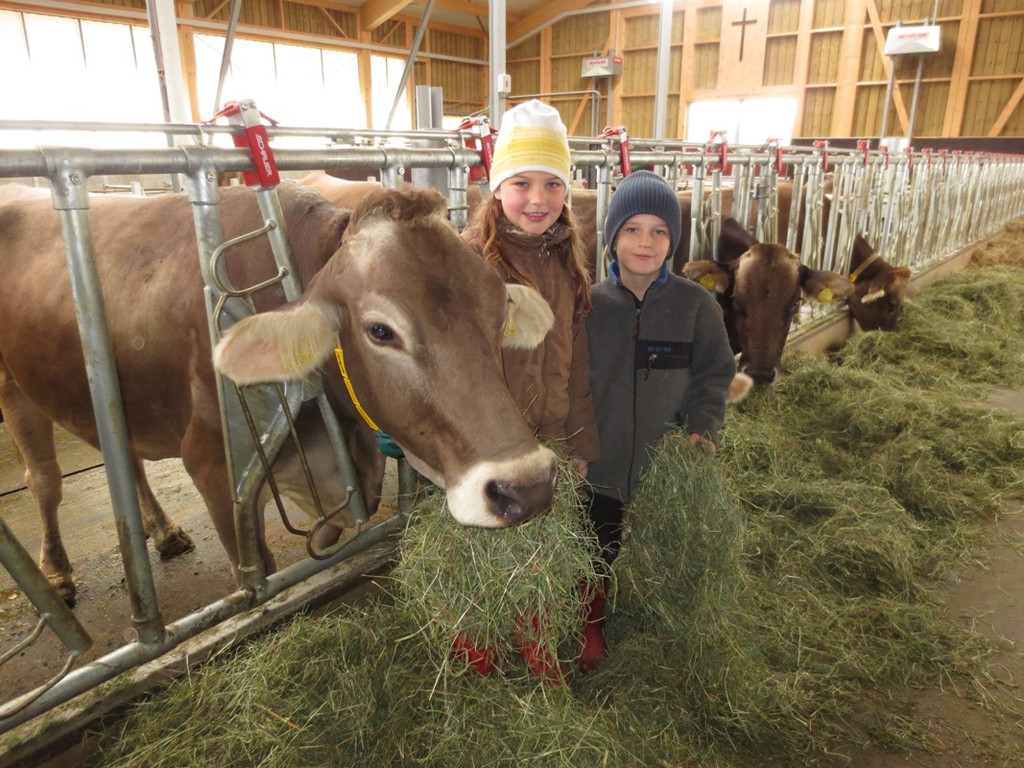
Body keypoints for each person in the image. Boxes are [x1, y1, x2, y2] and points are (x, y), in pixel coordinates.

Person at [458, 99, 601, 685]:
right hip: (489, 447)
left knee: (543, 552)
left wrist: (581, 445)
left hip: (554, 441)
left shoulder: (569, 261)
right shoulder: (471, 264)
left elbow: (580, 365)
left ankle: (538, 639)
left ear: (567, 192)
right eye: (521, 183)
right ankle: (476, 647)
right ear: (497, 189)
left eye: (551, 184)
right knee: (483, 554)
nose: (537, 199)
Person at [580, 170, 738, 671]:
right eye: (632, 229)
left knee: (660, 547)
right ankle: (591, 623)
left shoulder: (697, 306)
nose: (645, 242)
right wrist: (572, 443)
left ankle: (658, 615)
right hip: (599, 463)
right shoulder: (588, 305)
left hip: (663, 466)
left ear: (674, 240)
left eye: (659, 231)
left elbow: (714, 374)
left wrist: (703, 428)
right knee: (594, 547)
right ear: (612, 237)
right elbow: (567, 381)